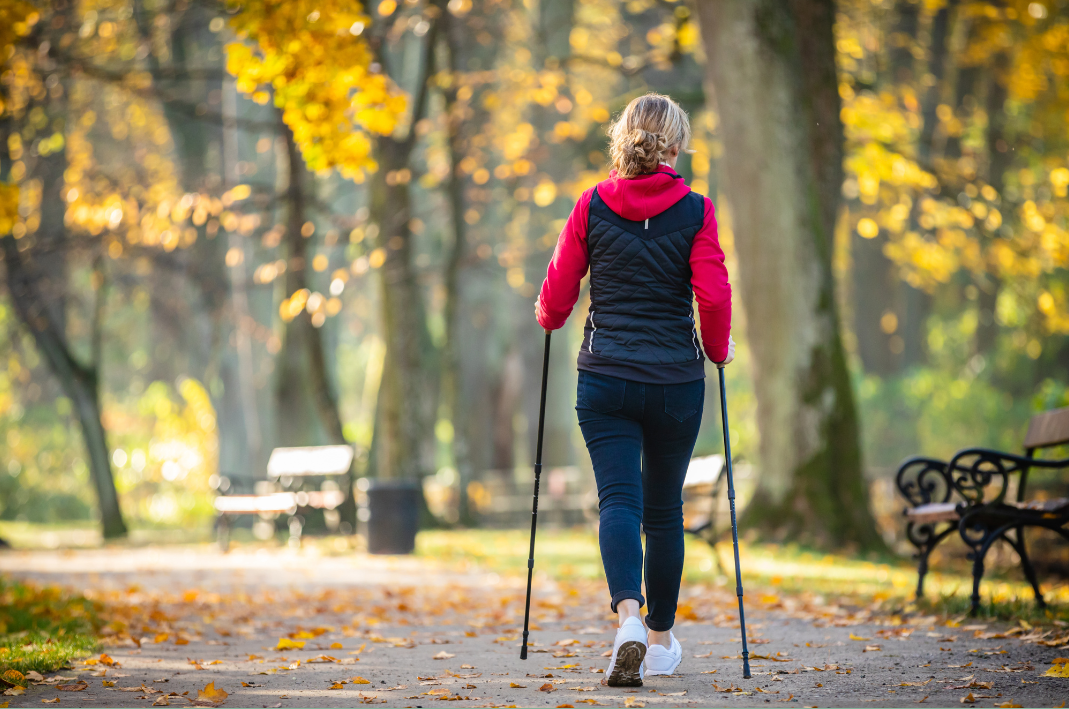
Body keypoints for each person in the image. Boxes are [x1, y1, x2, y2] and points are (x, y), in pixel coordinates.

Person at [535, 93, 734, 686]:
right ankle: (662, 638)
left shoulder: (591, 205)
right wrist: (718, 350)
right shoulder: (697, 210)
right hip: (675, 382)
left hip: (606, 379)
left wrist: (549, 316)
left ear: (623, 140)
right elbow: (715, 296)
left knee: (617, 500)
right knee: (664, 510)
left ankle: (627, 617)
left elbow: (557, 294)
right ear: (676, 146)